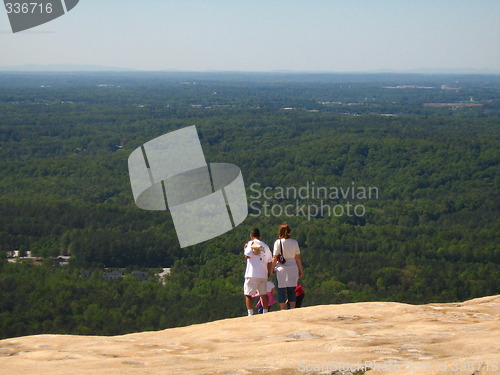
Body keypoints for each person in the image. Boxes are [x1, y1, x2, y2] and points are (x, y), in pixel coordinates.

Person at [271, 224, 304, 310]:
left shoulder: (278, 242)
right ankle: (292, 308)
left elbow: (274, 257)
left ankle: (283, 309)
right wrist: (300, 270)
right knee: (292, 290)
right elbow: (297, 257)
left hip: (281, 268)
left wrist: (272, 268)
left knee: (281, 290)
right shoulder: (294, 242)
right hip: (293, 267)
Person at [243, 228, 272, 316]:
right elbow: (269, 261)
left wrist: (245, 248)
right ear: (259, 235)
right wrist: (268, 273)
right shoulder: (265, 246)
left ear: (251, 236)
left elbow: (247, 255)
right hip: (263, 273)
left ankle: (250, 313)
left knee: (248, 294)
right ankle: (265, 312)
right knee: (263, 294)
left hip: (252, 273)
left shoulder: (250, 243)